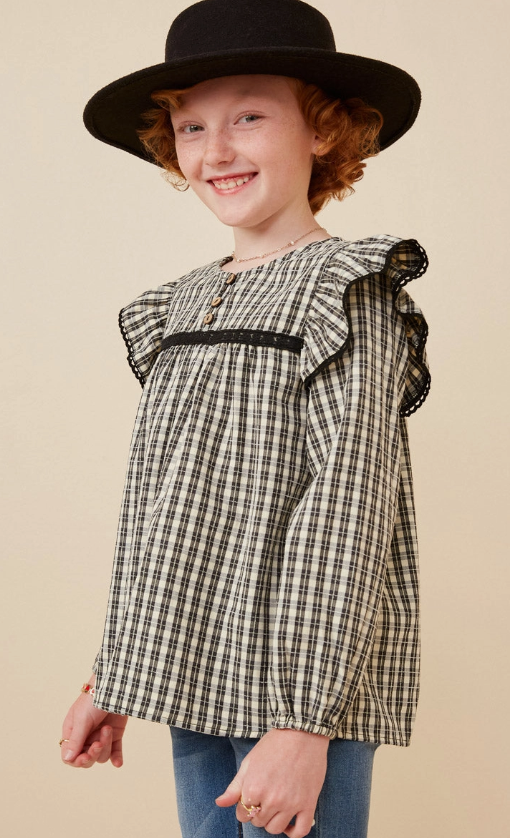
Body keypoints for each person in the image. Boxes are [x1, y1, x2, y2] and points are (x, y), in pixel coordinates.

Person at [61, 2, 430, 836]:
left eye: (249, 117)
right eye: (192, 127)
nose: (216, 151)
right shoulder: (183, 302)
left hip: (297, 693)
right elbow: (164, 505)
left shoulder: (350, 290)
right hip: (191, 671)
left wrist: (303, 721)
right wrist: (117, 673)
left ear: (324, 130)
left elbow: (349, 510)